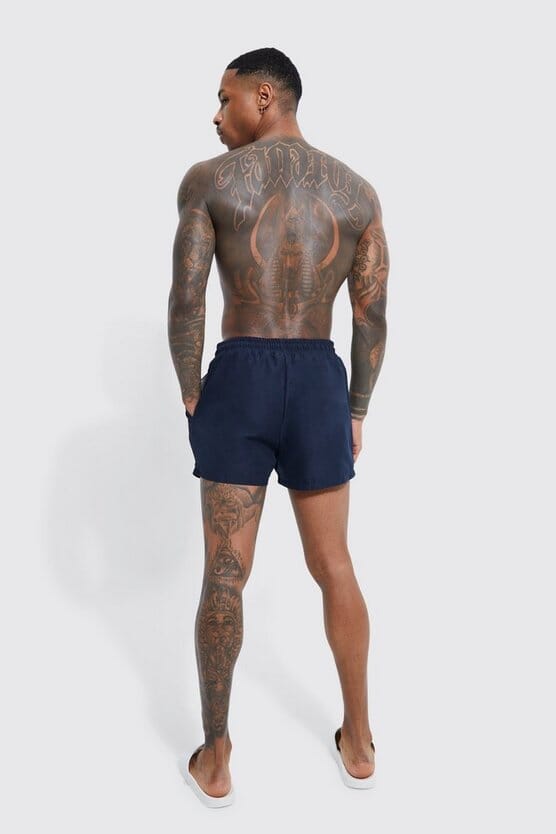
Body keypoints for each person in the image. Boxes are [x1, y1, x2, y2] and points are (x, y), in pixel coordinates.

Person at [168, 47, 389, 805]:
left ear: (265, 96)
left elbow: (187, 299)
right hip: (320, 376)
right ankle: (359, 739)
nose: (216, 114)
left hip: (241, 375)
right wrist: (354, 408)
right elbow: (371, 317)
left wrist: (192, 392)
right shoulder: (356, 193)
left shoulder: (208, 182)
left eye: (225, 97)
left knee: (225, 573)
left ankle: (215, 757)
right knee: (335, 565)